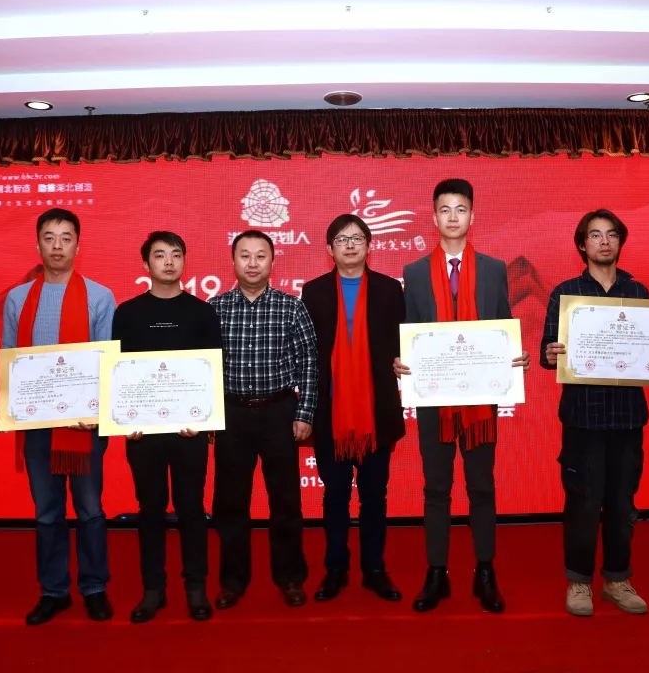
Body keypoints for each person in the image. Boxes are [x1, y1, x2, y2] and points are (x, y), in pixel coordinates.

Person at [540, 209, 649, 617]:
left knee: (623, 503)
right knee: (583, 503)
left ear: (620, 242)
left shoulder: (638, 293)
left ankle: (617, 579)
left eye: (611, 235)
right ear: (582, 244)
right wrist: (551, 354)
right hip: (582, 418)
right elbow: (547, 354)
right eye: (595, 235)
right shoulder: (565, 293)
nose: (604, 241)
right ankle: (579, 581)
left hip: (627, 417)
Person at [394, 178, 529, 614]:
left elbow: (502, 325)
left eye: (461, 209)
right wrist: (401, 360)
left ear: (473, 215)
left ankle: (485, 571)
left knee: (482, 486)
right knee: (436, 488)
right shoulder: (415, 272)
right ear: (433, 217)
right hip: (434, 399)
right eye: (445, 210)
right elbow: (410, 332)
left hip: (480, 401)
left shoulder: (493, 268)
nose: (453, 217)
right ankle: (437, 572)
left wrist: (514, 355)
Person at [1, 208, 116, 625]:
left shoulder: (100, 296)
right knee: (47, 511)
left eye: (66, 238)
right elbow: (10, 358)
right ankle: (53, 591)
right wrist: (6, 402)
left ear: (78, 246)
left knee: (90, 509)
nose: (57, 246)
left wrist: (93, 409)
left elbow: (105, 360)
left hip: (84, 425)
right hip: (37, 423)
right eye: (49, 237)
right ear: (37, 244)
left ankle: (95, 587)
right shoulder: (18, 298)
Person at [111, 231, 221, 623]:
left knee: (192, 509)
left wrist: (204, 418)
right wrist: (124, 419)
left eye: (176, 254)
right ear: (146, 264)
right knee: (150, 510)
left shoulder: (202, 312)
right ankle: (153, 590)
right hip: (143, 434)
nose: (169, 262)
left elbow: (213, 369)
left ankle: (196, 587)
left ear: (184, 261)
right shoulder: (127, 313)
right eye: (160, 255)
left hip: (190, 431)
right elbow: (117, 371)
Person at [301, 214, 406, 602]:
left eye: (357, 238)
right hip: (331, 414)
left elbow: (405, 342)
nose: (349, 244)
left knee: (375, 498)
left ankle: (375, 569)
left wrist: (405, 360)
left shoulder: (389, 290)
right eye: (341, 239)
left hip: (377, 413)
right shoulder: (313, 292)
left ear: (369, 245)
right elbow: (308, 353)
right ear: (329, 249)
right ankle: (335, 570)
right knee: (335, 498)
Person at [209, 230, 316, 609]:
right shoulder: (215, 308)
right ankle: (232, 581)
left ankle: (290, 577)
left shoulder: (292, 307)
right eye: (245, 255)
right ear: (233, 261)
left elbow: (309, 363)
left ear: (272, 261)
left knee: (285, 501)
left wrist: (304, 413)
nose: (252, 263)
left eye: (260, 256)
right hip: (232, 414)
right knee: (230, 503)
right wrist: (207, 415)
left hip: (279, 413)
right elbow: (203, 367)